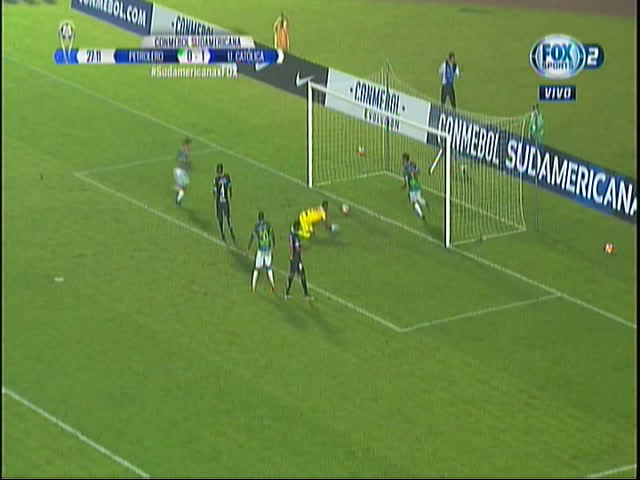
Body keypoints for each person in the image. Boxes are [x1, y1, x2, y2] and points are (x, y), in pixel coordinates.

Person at [248, 211, 276, 293]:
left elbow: (252, 237)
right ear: (263, 217)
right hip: (268, 248)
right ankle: (272, 284)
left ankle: (253, 286)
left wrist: (249, 247)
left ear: (258, 218)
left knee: (256, 268)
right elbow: (272, 234)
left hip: (261, 249)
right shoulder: (268, 225)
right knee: (269, 267)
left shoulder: (256, 226)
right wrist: (274, 244)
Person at [285, 220, 312, 300]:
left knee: (294, 274)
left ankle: (287, 293)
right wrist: (304, 250)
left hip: (295, 258)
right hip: (296, 258)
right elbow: (296, 248)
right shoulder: (295, 236)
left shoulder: (292, 234)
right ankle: (305, 294)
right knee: (299, 274)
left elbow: (294, 246)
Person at [213, 163, 236, 243]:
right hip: (225, 201)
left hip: (219, 202)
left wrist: (215, 195)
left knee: (221, 219)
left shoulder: (216, 179)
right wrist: (230, 195)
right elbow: (230, 186)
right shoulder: (227, 177)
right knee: (228, 218)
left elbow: (214, 190)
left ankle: (223, 234)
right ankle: (231, 232)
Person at [173, 138, 192, 206]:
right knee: (184, 189)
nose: (190, 146)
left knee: (182, 187)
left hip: (179, 171)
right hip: (181, 172)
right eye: (189, 144)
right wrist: (188, 166)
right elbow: (184, 161)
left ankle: (178, 199)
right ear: (187, 144)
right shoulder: (185, 151)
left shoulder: (182, 150)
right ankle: (178, 200)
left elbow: (179, 158)